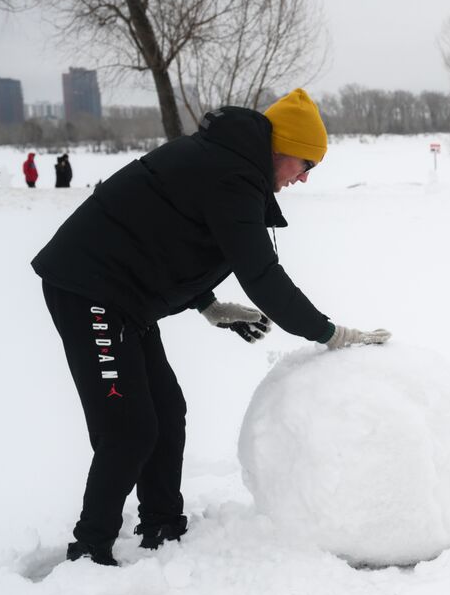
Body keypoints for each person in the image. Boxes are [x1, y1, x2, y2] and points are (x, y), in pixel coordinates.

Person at [32, 89, 391, 567]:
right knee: (129, 428)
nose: (303, 178)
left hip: (121, 295)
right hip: (89, 291)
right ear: (280, 150)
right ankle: (90, 547)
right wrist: (329, 333)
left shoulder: (224, 162)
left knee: (167, 411)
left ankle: (162, 521)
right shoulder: (231, 175)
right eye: (305, 165)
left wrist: (206, 303)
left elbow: (164, 237)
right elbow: (261, 273)